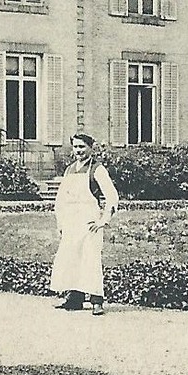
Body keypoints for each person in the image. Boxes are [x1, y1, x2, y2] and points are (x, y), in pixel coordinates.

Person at [50, 132, 120, 314]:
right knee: (71, 257)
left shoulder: (97, 169)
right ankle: (75, 299)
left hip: (89, 221)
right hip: (72, 221)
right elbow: (61, 199)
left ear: (90, 148)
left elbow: (112, 197)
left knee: (90, 259)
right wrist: (61, 223)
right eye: (75, 147)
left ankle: (97, 300)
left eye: (82, 147)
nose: (78, 150)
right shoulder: (69, 170)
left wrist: (103, 220)